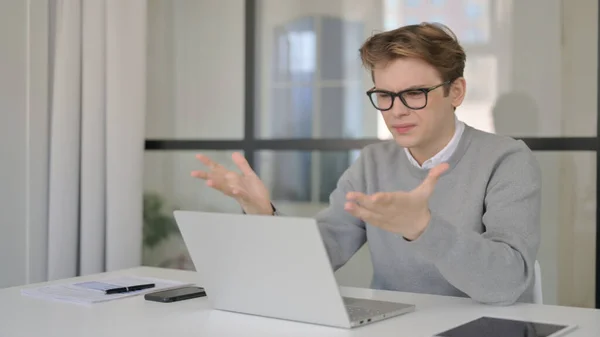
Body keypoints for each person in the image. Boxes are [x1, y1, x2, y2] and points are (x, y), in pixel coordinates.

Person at [191, 22, 541, 305]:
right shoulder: (374, 162)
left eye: (415, 93)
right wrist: (263, 215)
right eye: (385, 96)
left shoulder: (506, 160)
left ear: (456, 92)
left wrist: (424, 227)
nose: (397, 110)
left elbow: (507, 284)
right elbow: (321, 254)